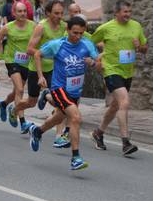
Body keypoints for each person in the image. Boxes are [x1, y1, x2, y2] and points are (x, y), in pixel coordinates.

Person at [28, 16, 100, 171]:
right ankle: (75, 158)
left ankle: (37, 131)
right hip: (59, 88)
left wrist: (94, 63)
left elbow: (100, 64)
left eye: (81, 33)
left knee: (58, 118)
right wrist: (40, 76)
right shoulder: (57, 45)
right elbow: (37, 54)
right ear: (67, 30)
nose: (78, 36)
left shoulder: (87, 45)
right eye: (75, 33)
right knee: (75, 117)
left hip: (75, 90)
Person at [90, 0, 147, 156]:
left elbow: (145, 48)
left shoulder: (136, 26)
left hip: (127, 71)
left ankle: (98, 132)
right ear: (116, 13)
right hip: (111, 70)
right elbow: (88, 43)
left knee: (116, 106)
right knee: (124, 102)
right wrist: (96, 59)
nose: (128, 14)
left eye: (129, 11)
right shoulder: (106, 28)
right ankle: (125, 142)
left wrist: (139, 46)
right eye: (125, 12)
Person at [10, 0, 66, 133]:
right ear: (48, 13)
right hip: (36, 68)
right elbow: (29, 49)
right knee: (31, 102)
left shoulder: (64, 26)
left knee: (60, 101)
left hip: (54, 69)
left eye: (62, 13)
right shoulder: (41, 27)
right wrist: (45, 54)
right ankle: (14, 109)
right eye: (56, 13)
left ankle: (59, 136)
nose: (59, 16)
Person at [0, 1, 35, 125]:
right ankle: (22, 121)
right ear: (14, 13)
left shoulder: (33, 26)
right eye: (19, 11)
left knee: (16, 92)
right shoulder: (8, 27)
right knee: (20, 89)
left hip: (26, 62)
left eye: (24, 11)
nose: (23, 14)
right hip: (12, 60)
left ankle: (4, 104)